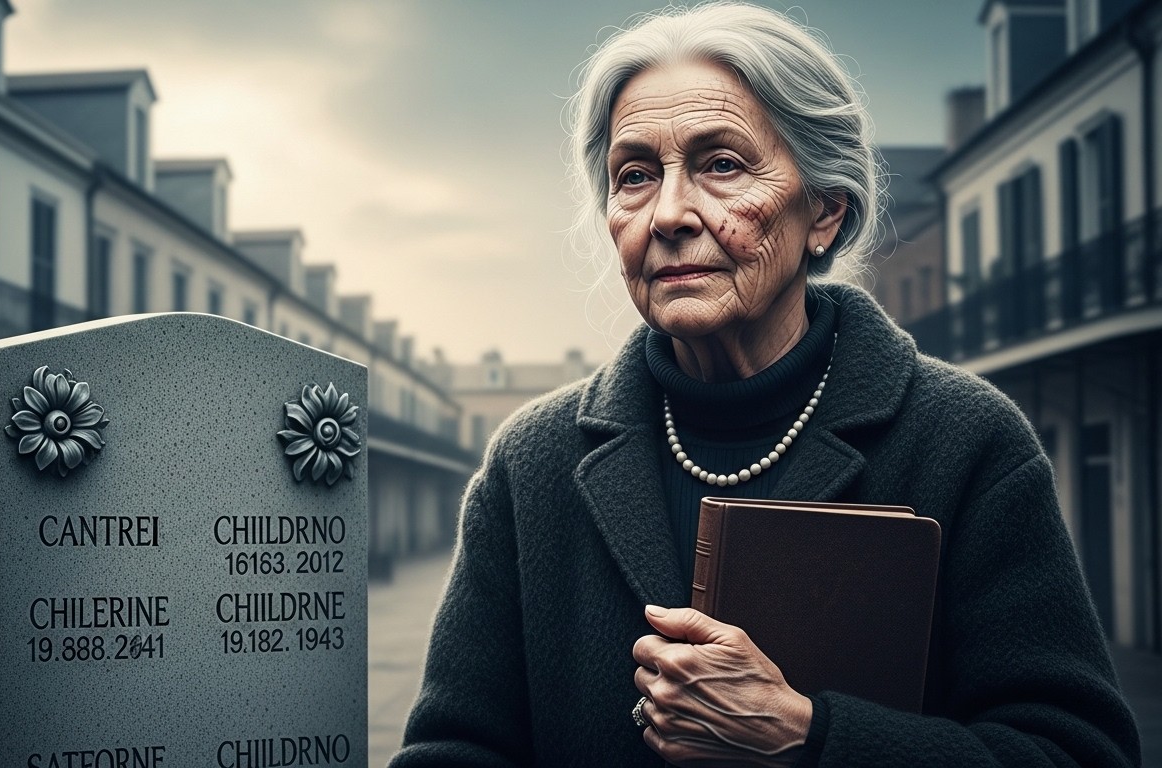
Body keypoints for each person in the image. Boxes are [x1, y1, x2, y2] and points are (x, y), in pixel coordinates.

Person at [389, 3, 1142, 767]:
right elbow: (453, 748)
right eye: (635, 176)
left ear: (825, 210)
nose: (670, 213)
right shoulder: (531, 463)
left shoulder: (967, 440)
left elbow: (1075, 751)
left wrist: (809, 738)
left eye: (722, 164)